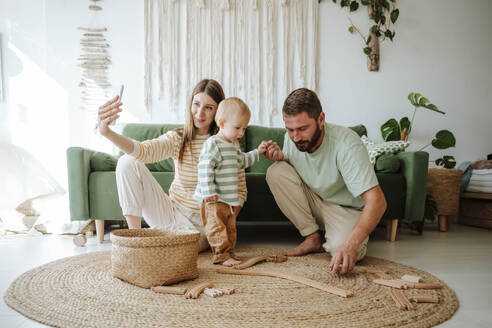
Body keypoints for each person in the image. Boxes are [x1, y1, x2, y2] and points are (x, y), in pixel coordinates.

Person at [97, 79, 230, 251]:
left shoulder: (223, 143)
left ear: (218, 112)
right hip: (171, 213)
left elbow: (233, 192)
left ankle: (162, 242)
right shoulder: (178, 138)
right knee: (126, 162)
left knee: (173, 247)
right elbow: (143, 151)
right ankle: (135, 241)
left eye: (208, 107)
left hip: (201, 225)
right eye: (196, 104)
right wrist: (106, 132)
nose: (200, 113)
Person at [264, 88, 387, 275]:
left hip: (345, 208)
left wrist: (351, 244)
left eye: (302, 129)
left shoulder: (346, 145)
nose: (296, 137)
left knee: (340, 249)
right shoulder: (293, 139)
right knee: (276, 171)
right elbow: (295, 165)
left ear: (321, 119)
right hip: (316, 198)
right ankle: (312, 238)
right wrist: (281, 156)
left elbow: (377, 201)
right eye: (290, 130)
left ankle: (341, 240)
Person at [194, 97, 268, 266]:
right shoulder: (213, 144)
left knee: (230, 228)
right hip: (213, 199)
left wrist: (258, 152)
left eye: (244, 128)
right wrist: (208, 192)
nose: (241, 133)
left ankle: (228, 252)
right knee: (216, 228)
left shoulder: (234, 145)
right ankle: (220, 254)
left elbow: (242, 161)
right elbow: (205, 169)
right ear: (221, 122)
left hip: (229, 199)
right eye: (237, 128)